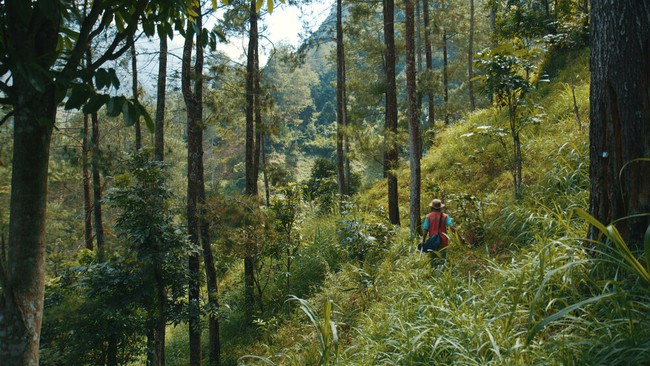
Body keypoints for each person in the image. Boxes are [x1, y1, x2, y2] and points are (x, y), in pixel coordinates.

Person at [421, 198, 456, 266]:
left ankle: (433, 274)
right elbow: (451, 227)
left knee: (433, 260)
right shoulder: (445, 216)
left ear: (432, 207)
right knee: (442, 260)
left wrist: (423, 241)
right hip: (443, 241)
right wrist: (458, 236)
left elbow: (425, 230)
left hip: (433, 241)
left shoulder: (428, 217)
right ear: (440, 207)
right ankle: (440, 273)